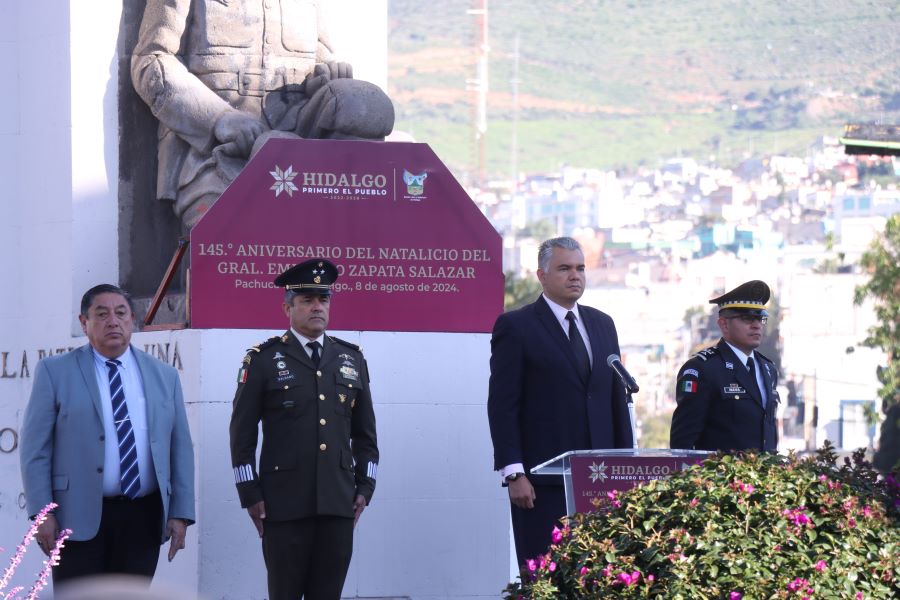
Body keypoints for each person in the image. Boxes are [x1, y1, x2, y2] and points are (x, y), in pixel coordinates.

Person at [131, 0, 395, 228]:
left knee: (365, 105)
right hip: (218, 154)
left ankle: (357, 215)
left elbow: (319, 63)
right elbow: (152, 61)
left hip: (298, 140)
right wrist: (220, 119)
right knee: (241, 219)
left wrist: (324, 78)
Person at [19, 284, 195, 587]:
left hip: (143, 516)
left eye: (120, 313)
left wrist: (180, 512)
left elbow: (179, 448)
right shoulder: (55, 372)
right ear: (84, 322)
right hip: (76, 517)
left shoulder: (163, 375)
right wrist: (41, 513)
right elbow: (36, 449)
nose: (112, 321)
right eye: (101, 314)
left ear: (132, 320)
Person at [229, 259, 379, 600]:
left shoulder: (351, 358)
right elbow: (241, 435)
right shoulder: (264, 359)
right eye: (307, 300)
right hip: (283, 506)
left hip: (338, 505)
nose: (317, 307)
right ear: (287, 307)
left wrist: (366, 486)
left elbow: (366, 434)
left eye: (323, 299)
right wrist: (250, 493)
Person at [487, 237, 634, 567]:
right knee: (546, 575)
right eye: (564, 268)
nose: (575, 276)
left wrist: (626, 471)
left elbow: (614, 400)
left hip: (599, 481)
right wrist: (514, 473)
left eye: (580, 268)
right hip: (542, 483)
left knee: (598, 575)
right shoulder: (516, 326)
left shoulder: (602, 324)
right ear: (541, 275)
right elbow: (502, 405)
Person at [670, 280, 780, 452]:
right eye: (747, 318)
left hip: (764, 476)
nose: (756, 325)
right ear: (724, 324)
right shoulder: (703, 369)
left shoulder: (768, 369)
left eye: (760, 318)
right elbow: (682, 441)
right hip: (720, 476)